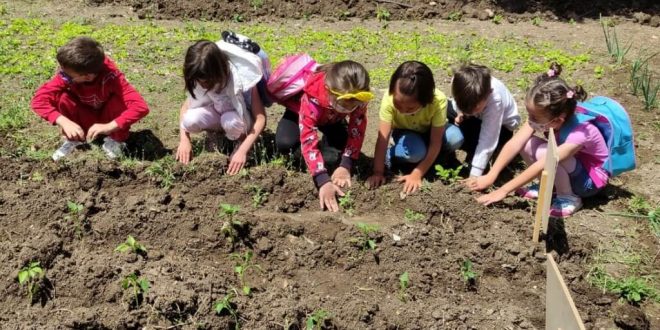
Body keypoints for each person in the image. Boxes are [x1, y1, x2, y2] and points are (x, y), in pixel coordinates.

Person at [463, 63, 609, 217]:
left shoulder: (581, 132)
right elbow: (515, 143)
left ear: (557, 120)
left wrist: (503, 190)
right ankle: (548, 187)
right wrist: (491, 175)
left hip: (587, 182)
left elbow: (546, 162)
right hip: (571, 167)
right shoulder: (548, 116)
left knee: (547, 154)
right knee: (527, 143)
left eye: (534, 117)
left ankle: (568, 197)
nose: (530, 120)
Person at [274, 60, 373, 212]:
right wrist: (323, 180)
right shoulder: (312, 95)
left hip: (333, 119)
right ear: (328, 90)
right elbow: (308, 138)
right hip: (301, 113)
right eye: (343, 105)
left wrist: (346, 165)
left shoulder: (359, 98)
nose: (348, 109)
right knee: (285, 144)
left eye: (351, 107)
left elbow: (357, 129)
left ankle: (328, 148)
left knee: (341, 149)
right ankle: (320, 156)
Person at [31, 36, 149, 160]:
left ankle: (116, 140)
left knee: (119, 100)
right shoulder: (69, 72)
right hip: (84, 116)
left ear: (87, 77)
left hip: (108, 119)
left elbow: (141, 107)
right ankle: (75, 139)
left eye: (67, 75)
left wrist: (110, 126)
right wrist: (63, 121)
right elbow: (38, 101)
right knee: (62, 97)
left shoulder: (113, 78)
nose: (62, 75)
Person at [366, 61, 461, 194]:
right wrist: (378, 171)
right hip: (405, 133)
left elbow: (435, 142)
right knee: (415, 152)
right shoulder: (388, 99)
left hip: (430, 132)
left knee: (455, 137)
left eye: (410, 108)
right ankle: (391, 155)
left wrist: (417, 173)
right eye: (398, 105)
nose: (403, 110)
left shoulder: (438, 101)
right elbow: (383, 138)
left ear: (425, 100)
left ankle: (439, 159)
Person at [175, 39, 267, 175]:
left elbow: (261, 118)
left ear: (217, 72)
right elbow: (185, 107)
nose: (203, 85)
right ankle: (217, 136)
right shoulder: (199, 75)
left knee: (230, 121)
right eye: (200, 82)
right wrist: (184, 139)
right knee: (189, 120)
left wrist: (243, 150)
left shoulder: (240, 78)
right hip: (218, 113)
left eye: (206, 82)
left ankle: (239, 141)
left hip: (240, 120)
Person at [447, 63, 521, 177]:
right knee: (446, 108)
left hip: (502, 128)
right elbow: (456, 102)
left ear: (489, 94)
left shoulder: (495, 101)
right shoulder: (458, 82)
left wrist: (475, 174)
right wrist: (460, 111)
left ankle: (483, 154)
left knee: (481, 146)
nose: (470, 110)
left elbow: (488, 139)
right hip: (476, 118)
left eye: (475, 107)